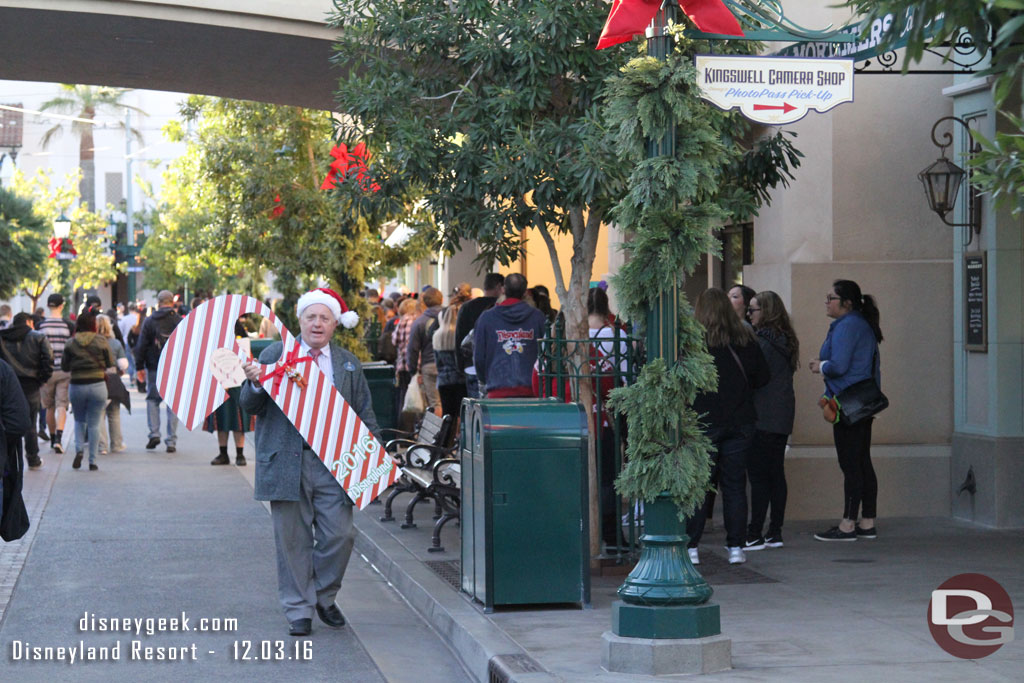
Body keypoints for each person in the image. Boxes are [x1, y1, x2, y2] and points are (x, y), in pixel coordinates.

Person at [239, 287, 379, 637]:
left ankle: (323, 596)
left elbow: (364, 412)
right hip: (286, 460)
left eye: (325, 318)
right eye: (311, 317)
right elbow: (249, 404)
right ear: (299, 320)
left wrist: (374, 456)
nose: (317, 324)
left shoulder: (347, 363)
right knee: (292, 539)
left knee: (340, 535)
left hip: (335, 463)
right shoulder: (275, 353)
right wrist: (256, 384)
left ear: (335, 325)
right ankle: (298, 608)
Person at [687, 288, 769, 566]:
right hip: (740, 420)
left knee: (699, 486)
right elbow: (762, 377)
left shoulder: (694, 341)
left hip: (704, 420)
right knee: (734, 486)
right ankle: (736, 547)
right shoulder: (746, 338)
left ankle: (691, 546)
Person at [810, 279, 884, 542]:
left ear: (847, 302)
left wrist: (821, 366)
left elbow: (840, 365)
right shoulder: (859, 325)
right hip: (861, 402)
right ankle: (867, 521)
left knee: (851, 463)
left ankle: (848, 524)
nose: (827, 302)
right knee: (862, 461)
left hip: (847, 403)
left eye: (831, 298)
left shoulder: (848, 326)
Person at [744, 291, 799, 551]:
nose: (748, 314)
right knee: (776, 473)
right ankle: (774, 531)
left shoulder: (761, 342)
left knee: (758, 476)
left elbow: (753, 377)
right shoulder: (785, 339)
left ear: (765, 312)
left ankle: (754, 532)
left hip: (762, 414)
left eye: (753, 310)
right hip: (782, 414)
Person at [473, 273, 547, 398]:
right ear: (525, 292)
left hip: (497, 390)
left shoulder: (487, 318)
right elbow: (546, 353)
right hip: (531, 391)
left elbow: (479, 356)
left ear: (503, 289)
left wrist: (486, 379)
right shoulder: (538, 317)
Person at [62, 311, 114, 471]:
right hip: (98, 385)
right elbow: (110, 362)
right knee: (94, 422)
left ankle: (79, 450)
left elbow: (64, 366)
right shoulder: (101, 340)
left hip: (77, 385)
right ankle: (92, 460)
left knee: (79, 420)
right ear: (94, 325)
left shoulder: (70, 343)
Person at [0, 312, 53, 470]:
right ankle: (32, 457)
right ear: (29, 322)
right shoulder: (38, 337)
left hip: (8, 385)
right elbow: (48, 358)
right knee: (30, 422)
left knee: (7, 421)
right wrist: (43, 378)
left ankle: (9, 457)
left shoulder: (3, 337)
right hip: (31, 384)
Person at [134, 290, 182, 453]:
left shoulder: (149, 321)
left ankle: (154, 433)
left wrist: (139, 366)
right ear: (172, 303)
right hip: (174, 367)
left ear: (159, 302)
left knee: (153, 400)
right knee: (172, 404)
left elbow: (141, 346)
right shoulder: (178, 321)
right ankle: (171, 441)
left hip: (154, 366)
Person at [207, 318, 255, 466]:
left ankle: (240, 454)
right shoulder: (213, 338)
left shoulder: (241, 340)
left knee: (238, 419)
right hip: (220, 383)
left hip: (237, 384)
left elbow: (248, 359)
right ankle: (223, 453)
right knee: (222, 419)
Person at [455, 273, 504, 399]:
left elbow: (459, 337)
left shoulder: (467, 307)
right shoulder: (500, 308)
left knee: (475, 411)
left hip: (471, 366)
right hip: (498, 367)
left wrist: (461, 365)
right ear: (499, 286)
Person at [432, 283, 472, 435]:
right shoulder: (461, 337)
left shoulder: (438, 337)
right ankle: (460, 444)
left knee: (448, 415)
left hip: (444, 380)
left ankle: (445, 445)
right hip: (460, 380)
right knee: (463, 415)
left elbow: (438, 363)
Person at [38, 294, 75, 454]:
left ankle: (52, 437)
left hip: (46, 372)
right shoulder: (68, 325)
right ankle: (59, 438)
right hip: (64, 370)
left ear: (48, 306)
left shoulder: (40, 325)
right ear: (62, 305)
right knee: (62, 405)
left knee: (49, 406)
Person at [406, 287, 444, 416]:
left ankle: (437, 434)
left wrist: (413, 371)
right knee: (450, 403)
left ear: (425, 303)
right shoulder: (450, 318)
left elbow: (413, 349)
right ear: (442, 299)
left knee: (435, 403)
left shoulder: (419, 322)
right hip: (448, 365)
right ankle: (452, 433)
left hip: (429, 365)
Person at [95, 314, 130, 455]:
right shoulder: (115, 343)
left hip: (97, 379)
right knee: (114, 413)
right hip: (113, 380)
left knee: (99, 414)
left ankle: (102, 446)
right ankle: (116, 444)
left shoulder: (93, 342)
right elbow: (123, 364)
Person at [391, 297, 422, 419]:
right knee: (415, 399)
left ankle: (403, 430)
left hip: (402, 364)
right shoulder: (415, 320)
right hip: (414, 364)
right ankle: (413, 430)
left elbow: (394, 341)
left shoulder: (402, 321)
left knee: (405, 398)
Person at [118, 302, 139, 379]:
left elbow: (121, 331)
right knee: (136, 360)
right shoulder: (138, 318)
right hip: (136, 342)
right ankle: (137, 376)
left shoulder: (124, 319)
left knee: (130, 361)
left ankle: (132, 377)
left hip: (126, 341)